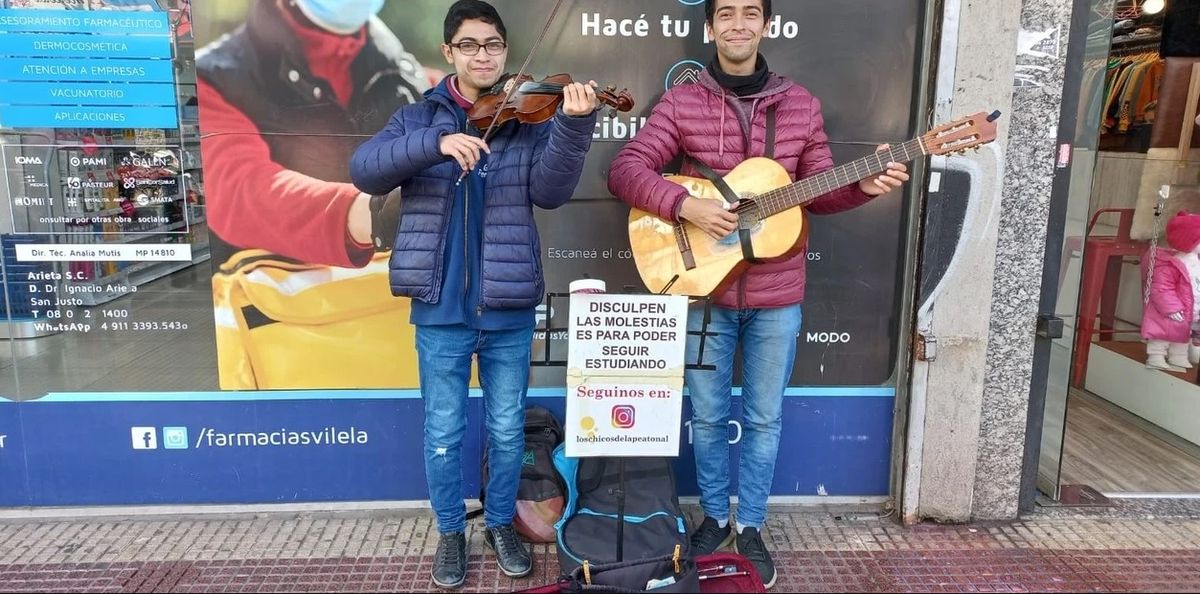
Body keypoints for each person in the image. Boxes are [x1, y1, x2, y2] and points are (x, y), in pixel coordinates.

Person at [606, 0, 909, 588]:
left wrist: (864, 186)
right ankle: (716, 519)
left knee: (764, 418)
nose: (739, 23)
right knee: (712, 415)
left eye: (751, 12)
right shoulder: (684, 100)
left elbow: (818, 191)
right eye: (727, 12)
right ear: (710, 25)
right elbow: (626, 169)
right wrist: (686, 205)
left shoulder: (799, 105)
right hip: (702, 289)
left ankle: (752, 528)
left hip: (778, 294)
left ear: (765, 25)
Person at [349, 0, 599, 589]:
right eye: (469, 45)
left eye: (492, 45)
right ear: (449, 53)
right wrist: (434, 144)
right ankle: (450, 532)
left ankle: (502, 523)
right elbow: (364, 171)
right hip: (440, 310)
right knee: (443, 431)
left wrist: (574, 125)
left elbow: (552, 191)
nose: (482, 55)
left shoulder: (526, 119)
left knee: (508, 429)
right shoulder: (418, 118)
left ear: (505, 51)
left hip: (508, 307)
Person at [197, 0, 436, 268]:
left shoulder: (414, 77)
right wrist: (379, 213)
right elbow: (241, 192)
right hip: (273, 304)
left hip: (392, 302)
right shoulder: (210, 82)